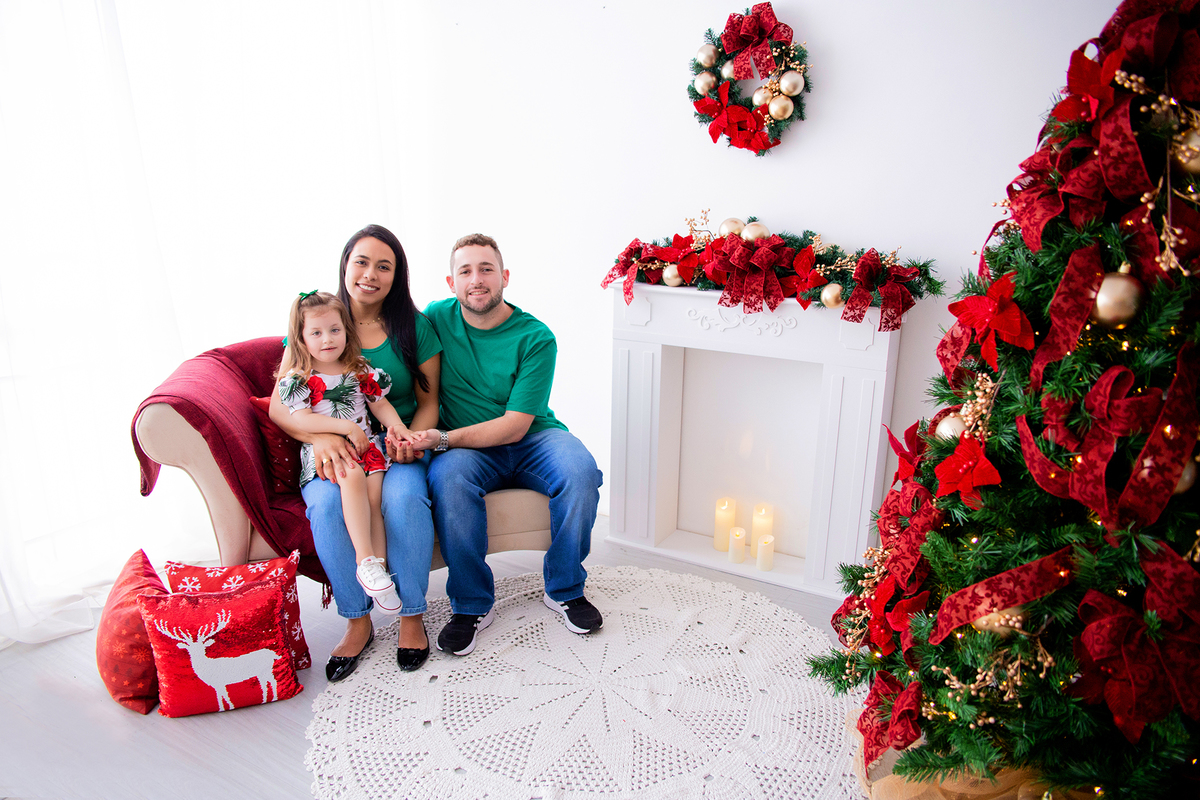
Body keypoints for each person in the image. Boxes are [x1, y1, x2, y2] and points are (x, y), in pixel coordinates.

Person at [408, 233, 604, 657]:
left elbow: (515, 427)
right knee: (448, 479)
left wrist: (441, 438)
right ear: (450, 281)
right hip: (468, 451)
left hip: (532, 437)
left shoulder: (536, 337)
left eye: (486, 269)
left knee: (581, 471)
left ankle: (566, 588)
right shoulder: (436, 318)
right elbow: (385, 337)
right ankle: (472, 605)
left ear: (505, 277)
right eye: (465, 271)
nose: (476, 280)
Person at [270, 225, 441, 679]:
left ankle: (410, 615)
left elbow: (428, 403)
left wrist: (406, 441)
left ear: (396, 275)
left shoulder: (414, 327)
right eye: (361, 262)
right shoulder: (317, 321)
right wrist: (324, 437)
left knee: (402, 500)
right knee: (326, 509)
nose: (370, 274)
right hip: (329, 451)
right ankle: (357, 619)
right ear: (346, 265)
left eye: (384, 266)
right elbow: (281, 407)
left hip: (389, 446)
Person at [276, 291, 405, 615]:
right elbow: (301, 418)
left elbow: (380, 404)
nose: (327, 339)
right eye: (316, 333)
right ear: (301, 338)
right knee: (353, 479)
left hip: (367, 448)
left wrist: (398, 427)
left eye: (334, 330)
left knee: (375, 497)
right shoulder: (301, 377)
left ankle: (379, 570)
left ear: (346, 330)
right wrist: (347, 429)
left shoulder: (357, 369)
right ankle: (364, 559)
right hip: (334, 453)